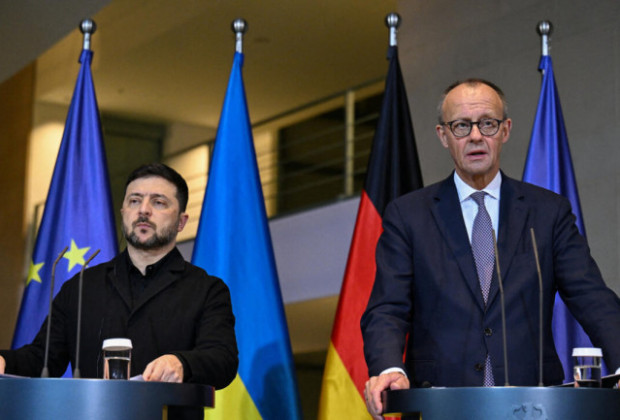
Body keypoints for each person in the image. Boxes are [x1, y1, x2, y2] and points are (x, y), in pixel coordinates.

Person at [360, 79, 620, 418]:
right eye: (461, 126)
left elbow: (592, 297)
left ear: (505, 130)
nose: (475, 136)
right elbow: (387, 308)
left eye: (487, 123)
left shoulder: (547, 212)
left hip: (533, 406)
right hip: (442, 404)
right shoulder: (408, 215)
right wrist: (389, 367)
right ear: (443, 135)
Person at [0, 163, 238, 419]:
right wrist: (5, 362)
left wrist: (181, 363)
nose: (143, 210)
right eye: (134, 200)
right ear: (124, 212)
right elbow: (42, 358)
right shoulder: (81, 286)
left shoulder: (206, 289)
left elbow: (222, 359)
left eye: (158, 202)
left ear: (181, 222)